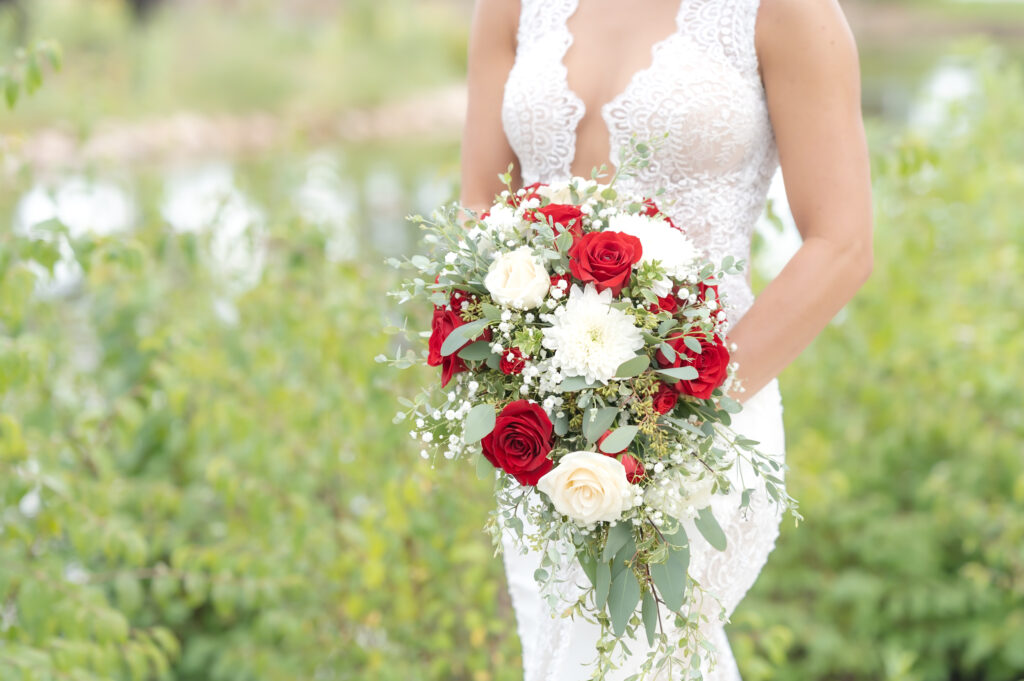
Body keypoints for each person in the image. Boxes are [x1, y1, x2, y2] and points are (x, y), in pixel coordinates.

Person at [458, 0, 874, 679]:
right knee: (563, 651)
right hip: (545, 425)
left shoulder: (784, 10)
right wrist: (522, 363)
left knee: (632, 656)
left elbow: (843, 244)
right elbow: (480, 202)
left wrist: (680, 409)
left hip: (707, 418)